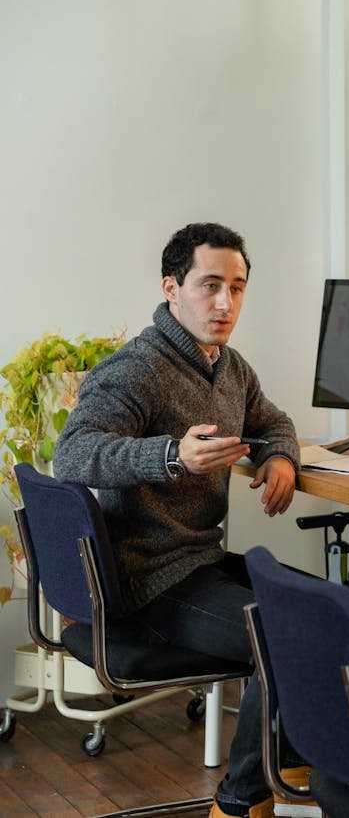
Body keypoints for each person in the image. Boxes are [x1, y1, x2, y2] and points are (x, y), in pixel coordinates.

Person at [53, 222, 307, 818]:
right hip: (152, 580)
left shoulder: (229, 366)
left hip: (201, 563)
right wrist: (172, 454)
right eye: (210, 285)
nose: (225, 303)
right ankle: (241, 802)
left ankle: (286, 766)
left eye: (238, 288)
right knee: (288, 636)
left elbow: (274, 421)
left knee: (336, 614)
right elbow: (73, 452)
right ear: (172, 288)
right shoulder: (138, 367)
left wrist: (281, 459)